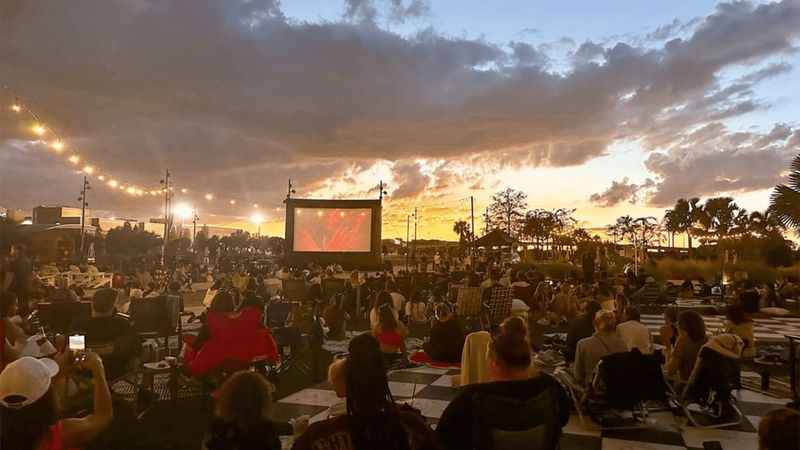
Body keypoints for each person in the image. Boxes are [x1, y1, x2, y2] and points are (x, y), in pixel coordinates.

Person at [437, 317, 570, 450]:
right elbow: (562, 419)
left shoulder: (470, 398)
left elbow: (442, 440)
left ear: (494, 362)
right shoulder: (551, 387)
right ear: (528, 358)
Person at [292, 333, 439, 450]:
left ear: (347, 382)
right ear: (383, 378)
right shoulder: (413, 427)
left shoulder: (318, 436)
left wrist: (298, 435)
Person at [0, 353, 113, 450]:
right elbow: (102, 417)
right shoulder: (61, 434)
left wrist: (58, 374)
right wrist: (98, 370)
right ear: (47, 402)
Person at [203, 371, 307, 450]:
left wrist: (291, 428)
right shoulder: (265, 433)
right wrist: (298, 437)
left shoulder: (217, 427)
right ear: (263, 400)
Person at [73, 288, 140, 380]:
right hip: (117, 369)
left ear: (92, 304)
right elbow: (134, 349)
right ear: (113, 306)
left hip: (87, 370)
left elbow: (76, 353)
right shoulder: (122, 324)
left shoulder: (78, 325)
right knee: (147, 347)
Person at [573, 310, 628, 387]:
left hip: (593, 391)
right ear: (614, 325)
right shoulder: (623, 344)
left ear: (594, 323)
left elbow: (577, 375)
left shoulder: (583, 344)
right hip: (616, 389)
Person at [665, 310, 707, 383]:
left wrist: (667, 353)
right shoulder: (706, 340)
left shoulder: (682, 341)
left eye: (678, 323)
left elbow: (670, 370)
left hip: (684, 385)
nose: (676, 325)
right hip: (703, 388)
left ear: (682, 326)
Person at [7, 244, 33, 317]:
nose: (11, 252)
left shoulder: (15, 262)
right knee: (24, 305)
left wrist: (5, 288)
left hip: (17, 286)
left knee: (16, 306)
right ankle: (25, 322)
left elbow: (10, 276)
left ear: (18, 251)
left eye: (13, 250)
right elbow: (30, 274)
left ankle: (17, 322)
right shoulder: (28, 261)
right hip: (26, 286)